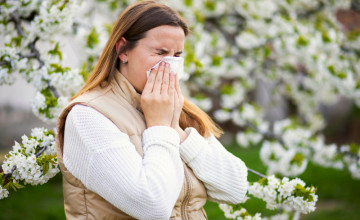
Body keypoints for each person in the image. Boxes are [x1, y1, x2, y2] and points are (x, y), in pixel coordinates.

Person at [55, 1, 248, 219]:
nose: (170, 65)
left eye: (177, 56)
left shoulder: (176, 108)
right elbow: (152, 207)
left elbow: (236, 187)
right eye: (160, 53)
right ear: (123, 50)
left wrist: (177, 130)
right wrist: (159, 126)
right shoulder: (88, 116)